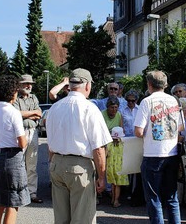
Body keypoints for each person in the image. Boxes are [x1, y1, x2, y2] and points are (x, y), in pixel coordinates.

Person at [46, 68, 112, 224]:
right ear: (87, 85)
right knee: (83, 218)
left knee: (61, 218)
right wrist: (102, 177)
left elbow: (50, 143)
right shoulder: (89, 108)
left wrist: (52, 164)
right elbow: (98, 148)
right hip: (79, 167)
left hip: (57, 163)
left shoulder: (55, 108)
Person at [134, 70, 184, 224]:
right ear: (165, 84)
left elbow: (138, 131)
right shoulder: (174, 100)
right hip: (172, 152)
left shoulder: (147, 101)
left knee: (154, 198)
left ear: (149, 84)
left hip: (153, 154)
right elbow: (181, 127)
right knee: (171, 197)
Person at [0, 76, 30, 224]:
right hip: (12, 157)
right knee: (13, 202)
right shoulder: (13, 112)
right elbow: (22, 142)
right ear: (12, 93)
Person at [12, 74, 43, 204]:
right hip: (21, 132)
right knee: (19, 163)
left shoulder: (33, 97)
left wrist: (27, 114)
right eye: (26, 83)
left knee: (32, 164)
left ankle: (32, 192)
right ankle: (18, 192)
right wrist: (32, 113)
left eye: (30, 84)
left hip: (33, 131)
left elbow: (40, 113)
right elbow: (16, 114)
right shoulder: (15, 99)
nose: (29, 86)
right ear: (20, 85)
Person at [107, 126, 129, 208]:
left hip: (110, 166)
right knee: (118, 185)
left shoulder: (109, 144)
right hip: (120, 167)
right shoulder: (123, 145)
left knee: (113, 184)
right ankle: (116, 200)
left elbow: (106, 154)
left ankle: (112, 199)